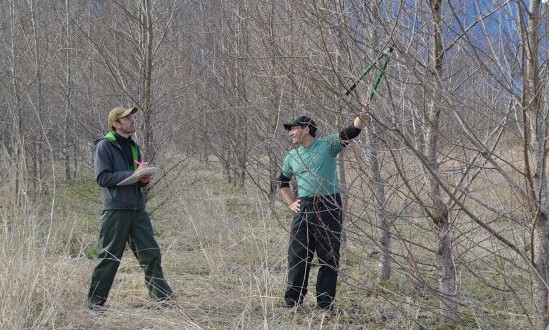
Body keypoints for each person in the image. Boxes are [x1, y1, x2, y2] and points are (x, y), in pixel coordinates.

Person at [277, 104, 370, 312]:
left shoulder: (328, 145)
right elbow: (282, 182)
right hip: (304, 207)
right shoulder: (292, 156)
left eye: (294, 128)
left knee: (329, 256)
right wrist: (292, 202)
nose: (291, 132)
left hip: (329, 205)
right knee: (297, 255)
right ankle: (293, 302)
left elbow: (351, 131)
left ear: (306, 129)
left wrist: (361, 116)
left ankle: (325, 305)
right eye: (290, 129)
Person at [87, 106, 173, 312]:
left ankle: (162, 299)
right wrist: (131, 174)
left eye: (132, 117)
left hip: (137, 209)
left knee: (151, 253)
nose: (132, 120)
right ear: (116, 123)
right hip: (115, 210)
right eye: (128, 118)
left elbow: (135, 180)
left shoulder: (134, 146)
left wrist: (143, 179)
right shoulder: (104, 146)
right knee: (109, 257)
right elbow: (102, 178)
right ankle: (95, 304)